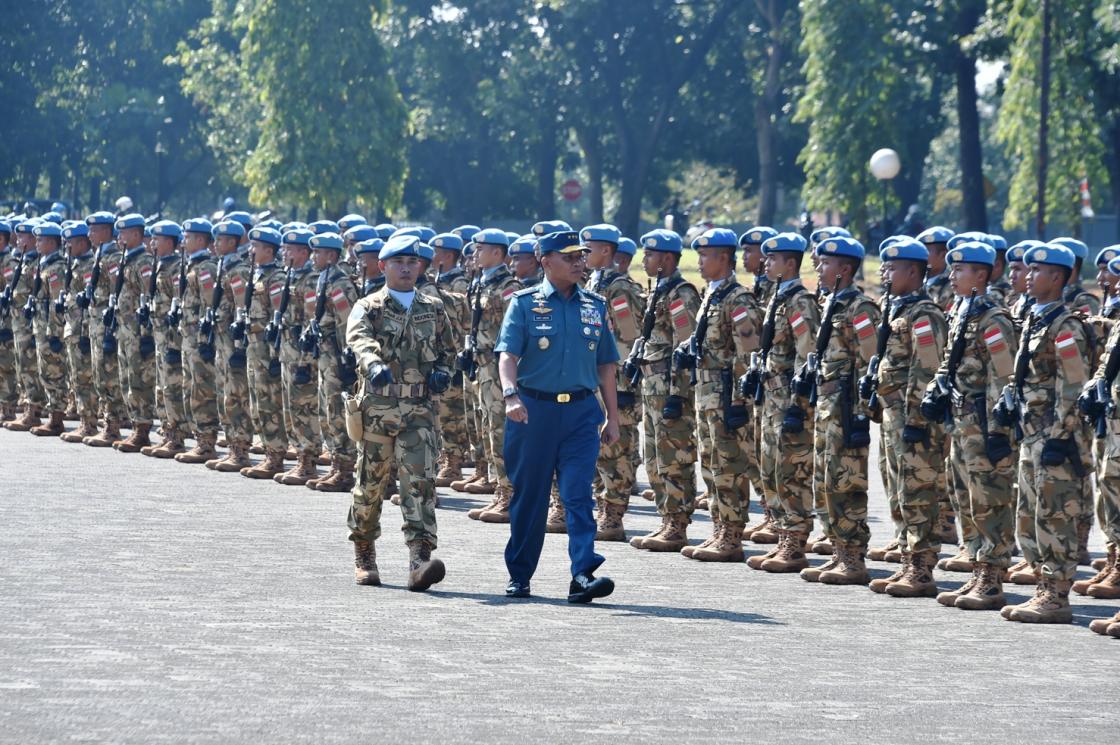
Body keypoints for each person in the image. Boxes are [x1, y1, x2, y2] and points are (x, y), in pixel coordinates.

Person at [496, 230, 620, 601]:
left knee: (577, 493)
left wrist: (612, 417)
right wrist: (510, 396)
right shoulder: (523, 303)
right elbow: (507, 356)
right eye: (570, 257)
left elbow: (607, 366)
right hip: (533, 412)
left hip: (582, 413)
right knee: (530, 499)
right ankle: (520, 575)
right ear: (546, 262)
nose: (579, 262)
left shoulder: (595, 305)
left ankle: (582, 574)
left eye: (581, 256)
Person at [346, 234, 455, 591]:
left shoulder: (433, 307)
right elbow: (359, 339)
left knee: (420, 485)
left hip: (419, 411)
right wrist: (374, 362)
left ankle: (419, 561)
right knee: (371, 483)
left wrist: (443, 372)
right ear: (383, 267)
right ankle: (365, 553)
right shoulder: (369, 306)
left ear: (421, 266)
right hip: (378, 408)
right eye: (398, 262)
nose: (406, 267)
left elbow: (448, 350)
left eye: (412, 262)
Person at [999, 244, 1091, 624]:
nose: (1028, 275)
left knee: (1055, 514)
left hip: (1054, 438)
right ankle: (1042, 585)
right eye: (1028, 270)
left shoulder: (1066, 327)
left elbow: (1073, 386)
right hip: (1030, 433)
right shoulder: (1035, 319)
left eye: (1037, 271)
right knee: (1029, 513)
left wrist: (1059, 436)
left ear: (1059, 278)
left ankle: (1056, 595)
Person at [925, 241, 1019, 610]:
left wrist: (997, 431)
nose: (952, 275)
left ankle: (992, 577)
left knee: (988, 499)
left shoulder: (993, 319)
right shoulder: (961, 312)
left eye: (960, 270)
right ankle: (978, 569)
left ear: (981, 274)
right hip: (961, 424)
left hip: (982, 423)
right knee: (965, 497)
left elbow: (1003, 378)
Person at [862, 238, 948, 597]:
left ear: (913, 271)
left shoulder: (924, 315)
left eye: (892, 267)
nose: (884, 272)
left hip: (913, 421)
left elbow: (925, 371)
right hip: (892, 415)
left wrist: (915, 421)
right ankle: (907, 558)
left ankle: (922, 567)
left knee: (917, 491)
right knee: (898, 490)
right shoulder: (893, 309)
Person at [797, 236, 881, 585]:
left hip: (846, 408)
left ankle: (853, 557)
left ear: (844, 269)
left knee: (846, 482)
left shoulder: (860, 309)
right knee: (826, 481)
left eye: (826, 263)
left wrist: (862, 414)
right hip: (826, 406)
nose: (818, 266)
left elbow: (870, 362)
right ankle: (837, 551)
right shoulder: (829, 303)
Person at [675, 228, 760, 561]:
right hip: (706, 394)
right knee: (711, 465)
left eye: (705, 255)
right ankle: (719, 528)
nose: (699, 261)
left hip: (725, 395)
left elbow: (747, 354)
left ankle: (732, 535)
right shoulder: (712, 295)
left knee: (730, 464)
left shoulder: (738, 299)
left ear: (724, 258)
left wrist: (740, 400)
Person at [745, 233, 821, 573]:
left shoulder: (799, 302)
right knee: (771, 467)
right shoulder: (778, 297)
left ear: (790, 264)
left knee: (791, 470)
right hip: (770, 397)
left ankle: (795, 541)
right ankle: (781, 535)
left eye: (773, 259)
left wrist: (797, 404)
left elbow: (807, 356)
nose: (766, 263)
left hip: (789, 401)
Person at [625, 229, 702, 552]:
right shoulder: (658, 291)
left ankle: (677, 523)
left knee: (674, 459)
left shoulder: (680, 295)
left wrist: (677, 395)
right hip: (652, 388)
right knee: (656, 459)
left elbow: (684, 347)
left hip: (670, 393)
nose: (644, 259)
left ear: (667, 259)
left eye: (651, 254)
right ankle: (666, 519)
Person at [582, 224, 645, 540]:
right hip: (593, 378)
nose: (583, 254)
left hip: (616, 380)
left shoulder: (620, 289)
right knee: (596, 449)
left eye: (588, 248)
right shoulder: (593, 283)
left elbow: (629, 337)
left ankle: (614, 515)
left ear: (606, 251)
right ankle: (600, 508)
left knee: (616, 450)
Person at [303, 232, 360, 492]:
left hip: (336, 356)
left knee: (337, 409)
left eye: (319, 252)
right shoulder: (322, 280)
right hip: (324, 354)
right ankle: (337, 464)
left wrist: (347, 360)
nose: (314, 256)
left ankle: (345, 469)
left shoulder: (339, 283)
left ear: (332, 256)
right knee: (327, 409)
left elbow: (346, 323)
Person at [273, 228, 324, 486]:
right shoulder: (290, 278)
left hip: (302, 354)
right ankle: (299, 455)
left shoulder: (310, 281)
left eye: (290, 250)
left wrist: (305, 360)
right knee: (291, 406)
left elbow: (310, 322)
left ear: (304, 253)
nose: (285, 254)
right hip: (288, 350)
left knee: (304, 406)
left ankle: (309, 461)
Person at [174, 219, 223, 465]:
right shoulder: (193, 264)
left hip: (199, 338)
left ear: (202, 240)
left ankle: (206, 443)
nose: (184, 240)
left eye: (189, 236)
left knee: (201, 390)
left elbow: (208, 307)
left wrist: (205, 340)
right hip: (188, 336)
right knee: (190, 387)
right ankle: (198, 437)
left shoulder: (205, 268)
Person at [109, 213, 158, 452]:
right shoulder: (126, 260)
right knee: (127, 379)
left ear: (137, 235)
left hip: (138, 332)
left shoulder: (143, 263)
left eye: (124, 233)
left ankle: (142, 430)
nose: (120, 238)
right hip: (125, 330)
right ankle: (135, 425)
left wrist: (146, 333)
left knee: (139, 381)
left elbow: (149, 299)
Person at [141, 220, 189, 458]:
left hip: (172, 337)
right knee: (162, 386)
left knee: (171, 387)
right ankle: (167, 433)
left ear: (169, 242)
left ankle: (177, 436)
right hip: (160, 334)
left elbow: (179, 303)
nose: (152, 244)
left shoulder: (176, 269)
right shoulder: (160, 265)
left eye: (156, 240)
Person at [917, 226, 955, 311]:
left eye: (925, 252)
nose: (920, 257)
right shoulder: (915, 282)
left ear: (943, 255)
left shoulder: (953, 285)